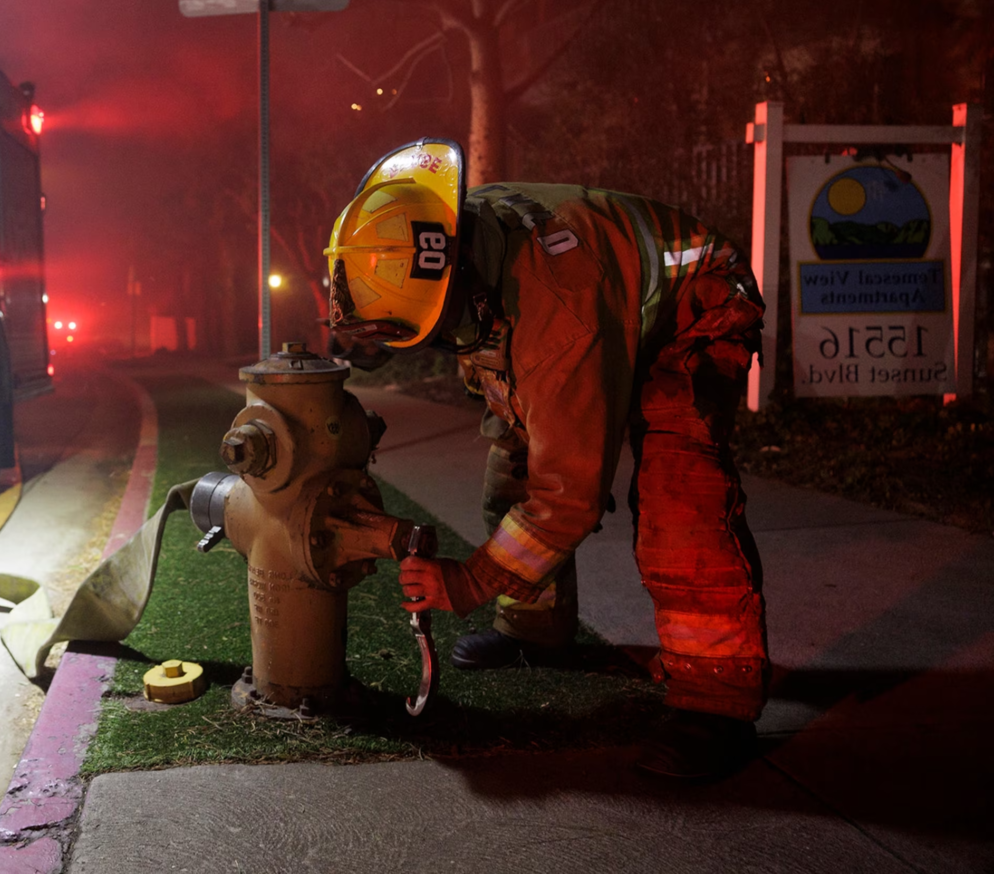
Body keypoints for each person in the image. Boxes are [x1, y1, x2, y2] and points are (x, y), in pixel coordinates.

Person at [324, 138, 769, 779]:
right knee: (512, 472)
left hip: (693, 306)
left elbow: (571, 496)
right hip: (601, 300)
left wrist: (470, 581)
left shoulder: (558, 314)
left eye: (437, 329)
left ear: (463, 288)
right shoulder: (440, 229)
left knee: (681, 502)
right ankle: (536, 629)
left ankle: (719, 708)